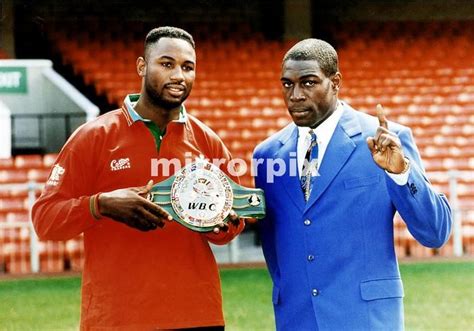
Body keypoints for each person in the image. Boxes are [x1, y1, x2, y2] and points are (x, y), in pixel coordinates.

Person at [32, 26, 244, 330]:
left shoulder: (207, 140)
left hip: (197, 315)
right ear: (142, 67)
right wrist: (100, 205)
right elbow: (45, 220)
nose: (178, 76)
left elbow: (225, 232)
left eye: (188, 67)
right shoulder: (94, 137)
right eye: (167, 64)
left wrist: (224, 222)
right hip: (116, 317)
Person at [253, 38, 452, 330]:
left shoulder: (385, 138)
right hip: (296, 319)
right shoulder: (267, 155)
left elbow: (435, 232)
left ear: (335, 82)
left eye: (308, 83)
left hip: (366, 320)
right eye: (287, 84)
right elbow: (273, 242)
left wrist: (401, 172)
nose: (294, 95)